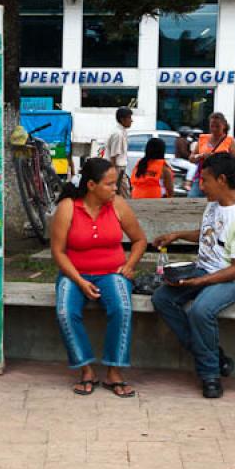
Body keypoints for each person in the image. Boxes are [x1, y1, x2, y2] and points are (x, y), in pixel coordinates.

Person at [151, 152, 235, 399]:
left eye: (205, 180)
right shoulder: (215, 204)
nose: (201, 186)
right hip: (205, 268)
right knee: (162, 298)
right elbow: (208, 233)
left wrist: (199, 282)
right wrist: (177, 235)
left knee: (201, 309)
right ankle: (215, 356)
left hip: (234, 279)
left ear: (221, 180)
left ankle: (210, 375)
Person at [50, 157, 147, 397]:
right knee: (65, 311)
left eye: (116, 183)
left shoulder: (118, 205)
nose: (115, 188)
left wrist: (130, 264)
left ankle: (114, 371)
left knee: (122, 308)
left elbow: (139, 240)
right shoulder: (69, 207)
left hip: (111, 273)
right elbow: (58, 252)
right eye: (110, 184)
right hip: (74, 273)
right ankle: (86, 370)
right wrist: (80, 281)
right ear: (91, 185)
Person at [187, 113, 235, 198]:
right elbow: (191, 158)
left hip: (219, 180)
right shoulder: (203, 138)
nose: (214, 129)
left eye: (217, 126)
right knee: (192, 200)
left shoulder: (230, 141)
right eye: (212, 126)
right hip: (202, 178)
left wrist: (219, 159)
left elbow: (234, 162)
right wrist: (201, 156)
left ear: (224, 126)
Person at [104, 107, 133, 196]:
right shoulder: (118, 134)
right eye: (129, 118)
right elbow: (113, 157)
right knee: (124, 195)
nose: (131, 120)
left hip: (119, 169)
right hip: (117, 169)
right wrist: (113, 174)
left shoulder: (122, 132)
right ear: (122, 119)